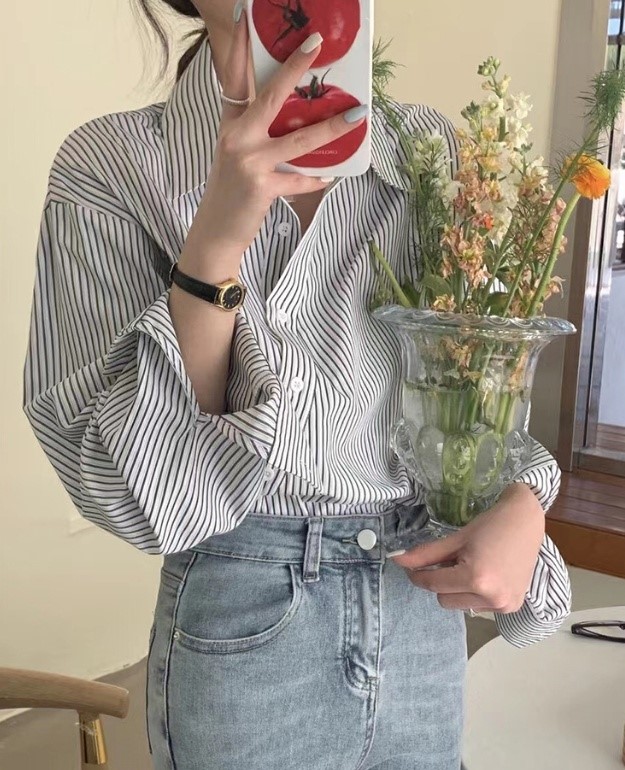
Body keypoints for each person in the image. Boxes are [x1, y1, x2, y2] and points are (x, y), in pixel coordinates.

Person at [22, 1, 572, 767]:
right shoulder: (112, 165)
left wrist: (520, 500)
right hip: (244, 627)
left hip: (418, 617)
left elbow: (477, 392)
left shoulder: (430, 154)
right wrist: (214, 245)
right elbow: (137, 499)